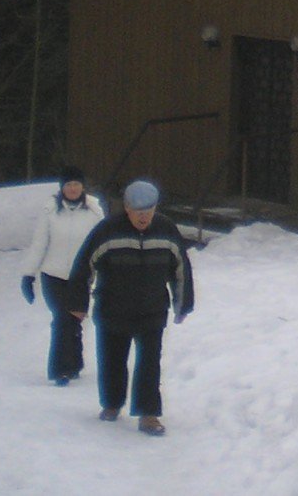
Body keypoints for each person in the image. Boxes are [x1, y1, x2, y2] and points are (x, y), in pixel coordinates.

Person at [65, 178, 195, 436]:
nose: (144, 217)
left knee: (149, 363)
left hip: (152, 309)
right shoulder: (107, 231)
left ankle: (149, 414)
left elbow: (181, 268)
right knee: (112, 359)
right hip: (112, 308)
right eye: (138, 212)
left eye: (149, 212)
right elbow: (83, 267)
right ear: (127, 208)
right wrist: (77, 303)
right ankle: (112, 404)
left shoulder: (166, 230)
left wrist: (183, 303)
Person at [19, 165, 105, 385]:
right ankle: (60, 370)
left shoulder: (94, 210)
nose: (73, 188)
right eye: (69, 185)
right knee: (62, 319)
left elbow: (101, 244)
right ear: (62, 188)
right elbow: (39, 243)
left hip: (81, 276)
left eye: (77, 184)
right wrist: (28, 275)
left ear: (82, 187)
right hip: (53, 274)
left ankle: (74, 363)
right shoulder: (50, 210)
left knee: (74, 319)